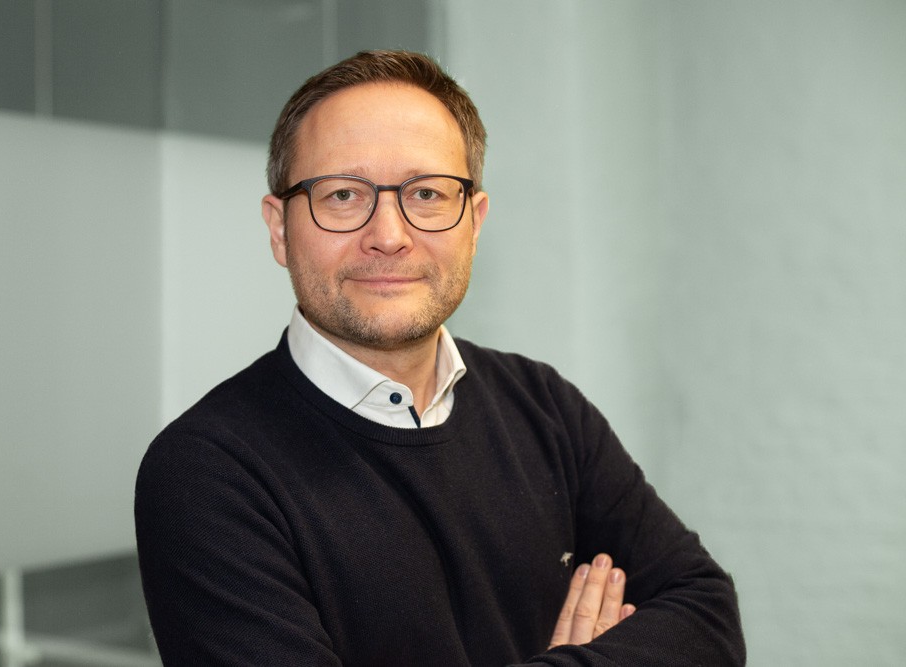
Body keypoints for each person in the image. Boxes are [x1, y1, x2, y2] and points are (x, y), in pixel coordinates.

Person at [135, 50, 744, 665]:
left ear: (473, 224)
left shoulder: (545, 407)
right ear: (279, 229)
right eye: (343, 194)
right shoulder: (206, 473)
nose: (388, 236)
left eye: (426, 193)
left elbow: (709, 618)